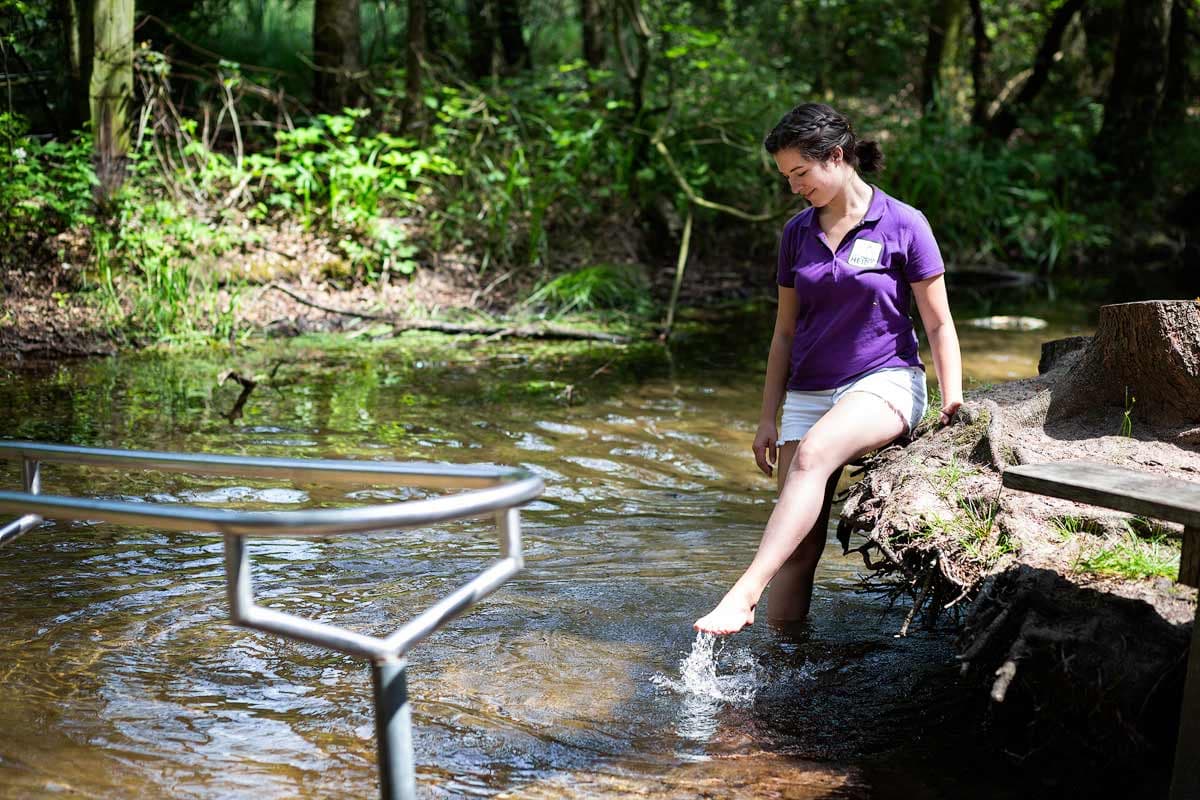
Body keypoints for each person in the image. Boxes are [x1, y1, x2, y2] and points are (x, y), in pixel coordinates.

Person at [694, 103, 963, 636]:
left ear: (836, 157)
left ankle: (744, 593)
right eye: (786, 177)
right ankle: (783, 663)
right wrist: (767, 416)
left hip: (885, 381)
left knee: (815, 453)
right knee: (799, 548)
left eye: (800, 173)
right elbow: (785, 333)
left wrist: (952, 398)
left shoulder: (905, 223)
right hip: (809, 392)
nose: (794, 187)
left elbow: (938, 324)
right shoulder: (796, 234)